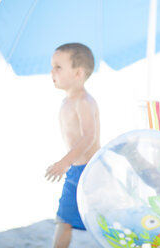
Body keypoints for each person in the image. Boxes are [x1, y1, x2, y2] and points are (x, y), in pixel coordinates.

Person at [45, 43, 101, 248]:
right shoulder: (66, 101)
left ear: (78, 73)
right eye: (52, 66)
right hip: (76, 169)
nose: (52, 71)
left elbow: (88, 137)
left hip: (89, 170)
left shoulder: (84, 101)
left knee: (74, 218)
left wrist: (64, 162)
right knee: (64, 218)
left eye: (58, 67)